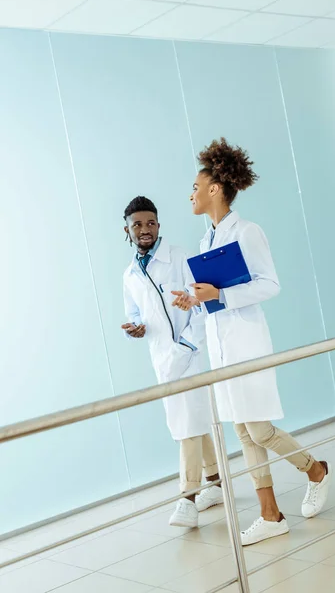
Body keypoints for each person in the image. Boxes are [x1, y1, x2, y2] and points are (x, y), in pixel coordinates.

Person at [172, 138, 332, 545]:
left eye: (195, 185)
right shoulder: (207, 238)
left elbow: (270, 284)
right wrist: (195, 299)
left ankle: (315, 470)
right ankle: (270, 514)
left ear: (214, 189)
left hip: (247, 345)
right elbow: (214, 293)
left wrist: (221, 295)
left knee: (258, 429)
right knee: (243, 431)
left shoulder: (247, 231)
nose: (190, 193)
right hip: (222, 348)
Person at [122, 196, 223, 528]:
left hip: (190, 355)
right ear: (128, 230)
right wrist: (135, 329)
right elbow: (136, 315)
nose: (145, 229)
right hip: (163, 359)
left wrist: (188, 345)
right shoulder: (130, 275)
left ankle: (187, 498)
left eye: (150, 222)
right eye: (138, 224)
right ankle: (217, 482)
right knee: (191, 419)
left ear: (158, 225)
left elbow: (200, 300)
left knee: (186, 426)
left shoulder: (178, 257)